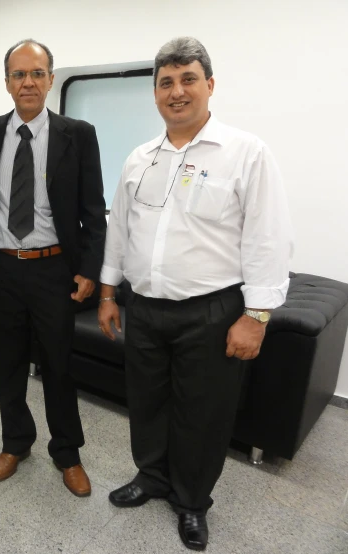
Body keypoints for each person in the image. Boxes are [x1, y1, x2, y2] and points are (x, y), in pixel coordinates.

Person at [98, 37, 293, 550]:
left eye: (188, 79)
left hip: (212, 311)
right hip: (144, 309)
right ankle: (152, 476)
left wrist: (257, 315)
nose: (176, 91)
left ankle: (191, 501)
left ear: (209, 85)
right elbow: (120, 231)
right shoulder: (140, 158)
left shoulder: (245, 153)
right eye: (166, 82)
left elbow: (267, 237)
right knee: (147, 403)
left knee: (203, 414)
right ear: (155, 93)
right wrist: (107, 293)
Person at [0, 39, 106, 497]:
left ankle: (67, 453)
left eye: (37, 73)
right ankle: (16, 443)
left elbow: (93, 209)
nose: (28, 82)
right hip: (4, 269)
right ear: (6, 81)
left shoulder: (78, 134)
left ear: (50, 78)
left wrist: (89, 269)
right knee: (6, 364)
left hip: (53, 270)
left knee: (59, 366)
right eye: (18, 74)